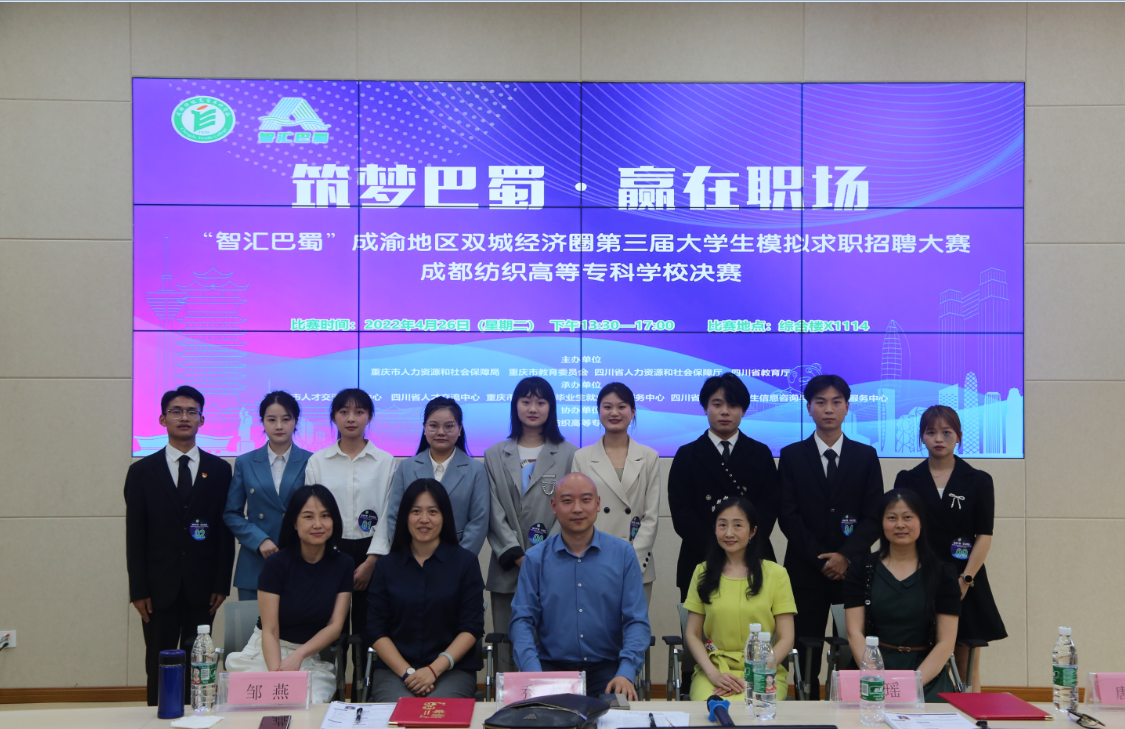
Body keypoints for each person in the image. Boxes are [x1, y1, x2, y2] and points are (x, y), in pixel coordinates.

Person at [124, 385, 234, 706]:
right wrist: (138, 590)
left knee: (199, 660)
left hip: (204, 587)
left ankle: (198, 715)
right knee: (158, 659)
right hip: (157, 588)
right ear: (162, 419)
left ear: (202, 420)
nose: (184, 417)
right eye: (176, 411)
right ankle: (158, 715)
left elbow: (224, 532)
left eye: (191, 412)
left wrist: (221, 584)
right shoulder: (142, 472)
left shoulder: (219, 470)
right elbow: (135, 535)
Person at [777, 374, 884, 700]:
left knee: (850, 647)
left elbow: (874, 516)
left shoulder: (865, 456)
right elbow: (788, 515)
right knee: (803, 646)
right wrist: (821, 559)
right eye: (820, 402)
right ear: (809, 407)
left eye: (836, 402)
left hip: (852, 572)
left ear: (847, 407)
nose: (828, 409)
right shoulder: (792, 455)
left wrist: (845, 556)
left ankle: (848, 705)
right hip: (804, 570)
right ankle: (805, 706)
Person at [895, 405, 1006, 692]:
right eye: (931, 432)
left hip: (964, 578)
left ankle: (971, 713)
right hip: (919, 576)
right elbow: (900, 532)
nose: (938, 439)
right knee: (924, 658)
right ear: (922, 437)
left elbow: (984, 535)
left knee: (966, 665)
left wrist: (966, 579)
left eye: (946, 432)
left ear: (959, 436)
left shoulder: (979, 480)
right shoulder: (907, 479)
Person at [509, 473, 649, 700]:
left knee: (615, 717)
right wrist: (532, 671)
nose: (577, 509)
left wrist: (626, 671)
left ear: (597, 504)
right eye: (567, 501)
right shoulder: (535, 558)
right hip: (549, 669)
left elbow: (636, 620)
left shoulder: (623, 554)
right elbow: (522, 620)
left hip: (608, 670)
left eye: (585, 500)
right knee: (543, 718)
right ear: (554, 506)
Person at [225, 485, 352, 704]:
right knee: (256, 705)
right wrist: (278, 677)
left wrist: (299, 656)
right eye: (308, 516)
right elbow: (270, 630)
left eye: (325, 516)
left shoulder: (344, 564)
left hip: (307, 656)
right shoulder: (276, 563)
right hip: (264, 652)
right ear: (294, 522)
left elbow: (335, 626)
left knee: (309, 705)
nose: (318, 524)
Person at [484, 376, 578, 672]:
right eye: (526, 401)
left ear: (551, 407)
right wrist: (516, 554)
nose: (533, 408)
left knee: (552, 642)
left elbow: (570, 510)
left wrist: (541, 556)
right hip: (507, 567)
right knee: (507, 642)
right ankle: (507, 697)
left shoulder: (569, 453)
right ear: (515, 406)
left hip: (554, 564)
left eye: (540, 401)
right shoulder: (494, 454)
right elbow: (492, 510)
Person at [366, 478, 486, 701]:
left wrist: (433, 670)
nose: (424, 519)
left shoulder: (466, 563)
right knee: (398, 712)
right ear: (405, 516)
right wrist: (409, 673)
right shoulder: (386, 566)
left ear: (444, 516)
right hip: (396, 671)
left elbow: (472, 627)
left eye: (433, 511)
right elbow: (375, 629)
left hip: (451, 670)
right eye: (416, 511)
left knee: (439, 713)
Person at [669, 372, 779, 602]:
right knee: (699, 625)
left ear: (744, 410)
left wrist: (742, 546)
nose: (725, 411)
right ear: (705, 408)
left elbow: (768, 508)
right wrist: (719, 549)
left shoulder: (760, 453)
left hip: (753, 559)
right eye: (717, 404)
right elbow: (682, 514)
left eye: (733, 405)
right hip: (700, 559)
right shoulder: (687, 455)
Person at [844, 488, 961, 702]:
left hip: (925, 674)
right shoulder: (861, 568)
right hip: (871, 670)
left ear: (921, 522)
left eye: (908, 517)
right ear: (881, 523)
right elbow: (854, 632)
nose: (900, 524)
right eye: (891, 518)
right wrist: (876, 678)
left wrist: (911, 684)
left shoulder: (943, 573)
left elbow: (946, 643)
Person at [304, 388, 396, 655]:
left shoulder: (386, 462)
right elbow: (310, 513)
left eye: (359, 411)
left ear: (370, 416)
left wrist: (372, 560)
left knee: (371, 629)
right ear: (333, 417)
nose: (351, 418)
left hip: (373, 552)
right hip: (330, 551)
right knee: (332, 630)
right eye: (344, 412)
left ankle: (366, 681)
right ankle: (330, 680)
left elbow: (390, 513)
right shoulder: (318, 461)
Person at [684, 496, 796, 702]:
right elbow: (692, 633)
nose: (729, 533)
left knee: (755, 710)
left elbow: (787, 638)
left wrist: (756, 674)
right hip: (715, 670)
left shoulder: (776, 574)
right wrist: (713, 674)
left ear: (752, 531)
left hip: (763, 670)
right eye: (722, 525)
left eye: (738, 525)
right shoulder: (702, 572)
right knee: (712, 709)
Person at [571, 382, 661, 603]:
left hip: (636, 563)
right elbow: (577, 513)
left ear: (633, 412)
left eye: (621, 406)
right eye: (607, 406)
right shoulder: (582, 457)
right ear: (598, 411)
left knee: (633, 624)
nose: (614, 413)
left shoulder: (649, 457)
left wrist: (632, 560)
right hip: (592, 561)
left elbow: (651, 516)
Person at [224, 391, 312, 601]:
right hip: (256, 560)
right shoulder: (245, 462)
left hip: (299, 556)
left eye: (286, 419)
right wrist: (259, 540)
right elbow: (232, 513)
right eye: (271, 420)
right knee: (254, 623)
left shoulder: (311, 461)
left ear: (296, 421)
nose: (279, 426)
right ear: (262, 422)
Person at [377, 397, 490, 557]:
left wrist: (459, 561)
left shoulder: (476, 470)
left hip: (457, 559)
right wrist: (408, 557)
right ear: (424, 428)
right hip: (411, 559)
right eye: (433, 426)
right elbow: (394, 516)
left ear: (460, 429)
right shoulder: (406, 467)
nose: (441, 432)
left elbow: (479, 521)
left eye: (449, 426)